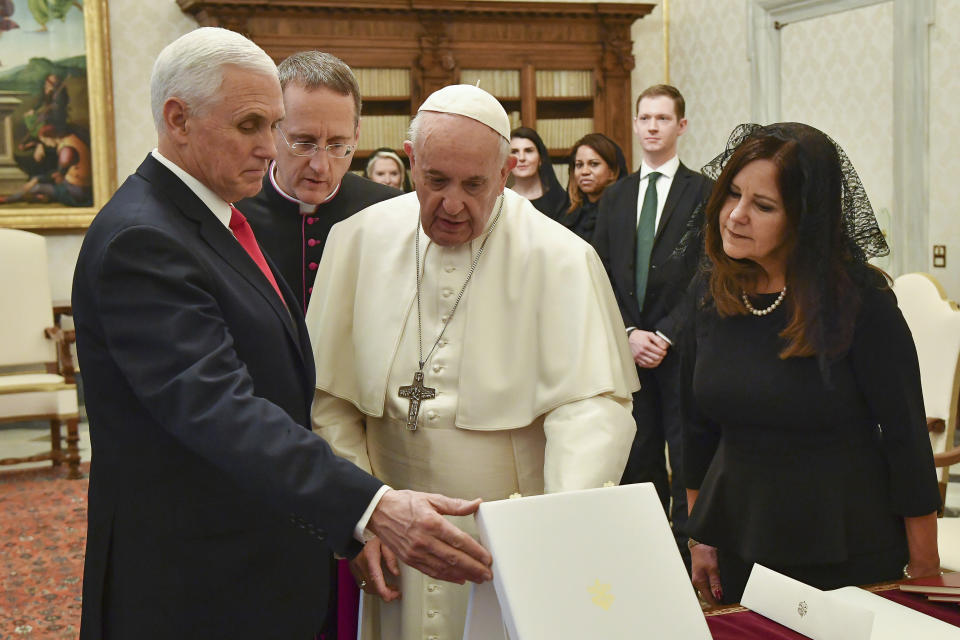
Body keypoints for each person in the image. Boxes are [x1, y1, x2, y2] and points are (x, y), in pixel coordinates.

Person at [71, 28, 492, 640]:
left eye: (273, 126)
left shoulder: (209, 215)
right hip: (191, 580)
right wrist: (373, 506)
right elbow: (218, 406)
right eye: (250, 126)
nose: (270, 150)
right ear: (178, 118)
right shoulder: (146, 239)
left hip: (251, 559)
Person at [306, 84, 638, 640]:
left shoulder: (561, 258)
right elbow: (328, 400)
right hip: (393, 537)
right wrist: (362, 518)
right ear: (411, 163)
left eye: (474, 184)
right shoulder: (356, 241)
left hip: (503, 538)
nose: (453, 204)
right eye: (435, 181)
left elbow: (592, 409)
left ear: (506, 172)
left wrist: (547, 535)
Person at [681, 122, 941, 605]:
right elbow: (696, 430)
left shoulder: (863, 303)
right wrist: (699, 534)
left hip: (846, 546)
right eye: (732, 195)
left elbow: (906, 436)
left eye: (763, 206)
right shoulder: (710, 293)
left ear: (805, 218)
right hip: (740, 539)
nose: (735, 216)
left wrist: (924, 566)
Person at [592, 84, 712, 567]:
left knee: (685, 454)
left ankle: (690, 556)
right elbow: (598, 269)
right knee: (636, 455)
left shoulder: (703, 192)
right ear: (636, 124)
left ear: (681, 126)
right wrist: (627, 333)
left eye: (663, 118)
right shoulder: (616, 196)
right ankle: (644, 557)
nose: (653, 127)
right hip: (628, 349)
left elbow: (707, 270)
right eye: (645, 118)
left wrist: (665, 333)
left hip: (680, 349)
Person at [235, 51, 400, 315]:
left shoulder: (388, 210)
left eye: (337, 145)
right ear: (272, 130)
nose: (320, 166)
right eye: (304, 143)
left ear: (356, 136)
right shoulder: (231, 211)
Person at [562, 132, 628, 242]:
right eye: (579, 165)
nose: (584, 172)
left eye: (594, 164)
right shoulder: (569, 215)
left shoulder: (623, 213)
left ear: (612, 172)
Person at [508, 126, 568, 219]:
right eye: (514, 151)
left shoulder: (562, 202)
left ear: (541, 158)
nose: (522, 158)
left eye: (528, 151)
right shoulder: (501, 201)